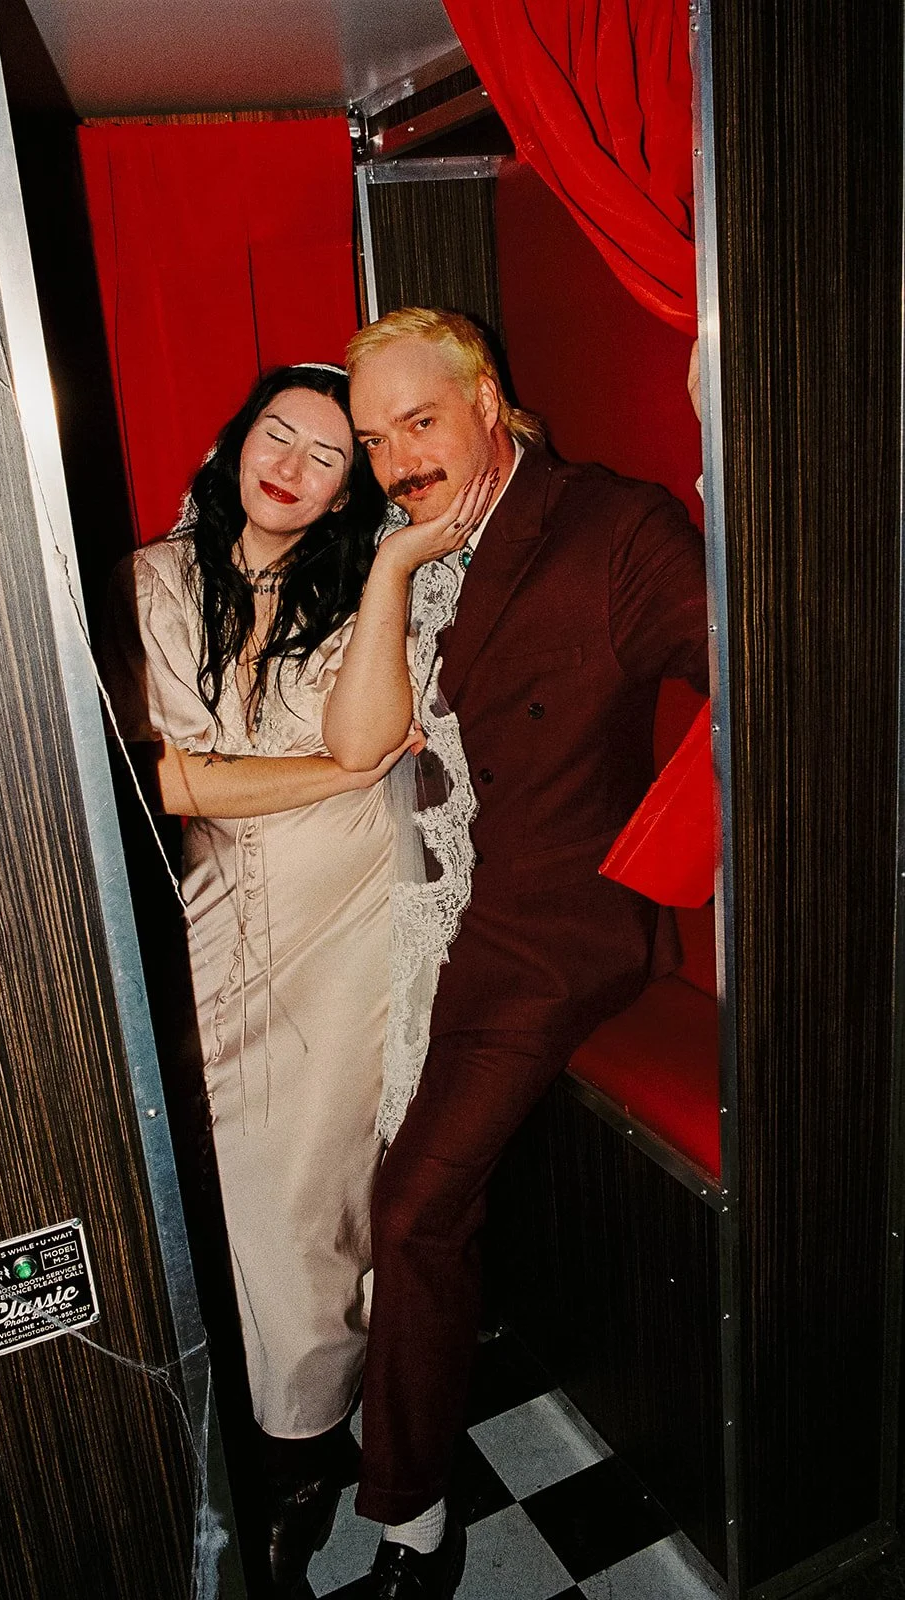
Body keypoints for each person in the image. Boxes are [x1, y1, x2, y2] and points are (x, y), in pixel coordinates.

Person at [324, 307, 710, 1599]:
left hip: (537, 933)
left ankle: (410, 1526)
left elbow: (769, 676)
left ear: (490, 402)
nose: (396, 462)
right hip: (400, 905)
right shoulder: (403, 547)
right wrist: (387, 570)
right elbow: (358, 747)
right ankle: (349, 1400)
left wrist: (681, 857)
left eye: (419, 424)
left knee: (409, 1207)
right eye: (375, 440)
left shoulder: (613, 529)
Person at [104, 363, 416, 1597]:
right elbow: (174, 779)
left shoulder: (359, 594)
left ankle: (297, 1475)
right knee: (245, 1194)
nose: (288, 462)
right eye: (274, 434)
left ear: (350, 489)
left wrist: (340, 768)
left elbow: (381, 737)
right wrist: (335, 774)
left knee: (316, 1202)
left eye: (326, 453)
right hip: (232, 924)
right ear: (233, 440)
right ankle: (265, 1448)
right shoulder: (155, 580)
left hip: (359, 929)